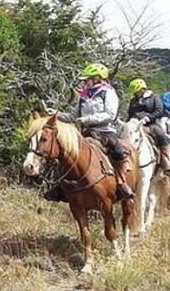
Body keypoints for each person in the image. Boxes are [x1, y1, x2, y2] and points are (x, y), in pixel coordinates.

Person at [46, 63, 134, 200]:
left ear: (97, 78)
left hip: (105, 131)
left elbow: (110, 114)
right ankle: (62, 186)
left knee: (117, 150)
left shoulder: (109, 93)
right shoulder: (84, 96)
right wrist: (56, 114)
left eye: (87, 79)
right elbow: (72, 116)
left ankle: (122, 182)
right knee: (67, 155)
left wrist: (87, 119)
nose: (84, 82)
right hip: (87, 133)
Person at [127, 78, 170, 173]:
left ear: (142, 89)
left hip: (150, 123)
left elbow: (159, 110)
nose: (135, 94)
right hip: (134, 123)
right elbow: (130, 113)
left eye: (136, 92)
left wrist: (149, 118)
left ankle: (166, 160)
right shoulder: (133, 100)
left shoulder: (154, 98)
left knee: (161, 136)